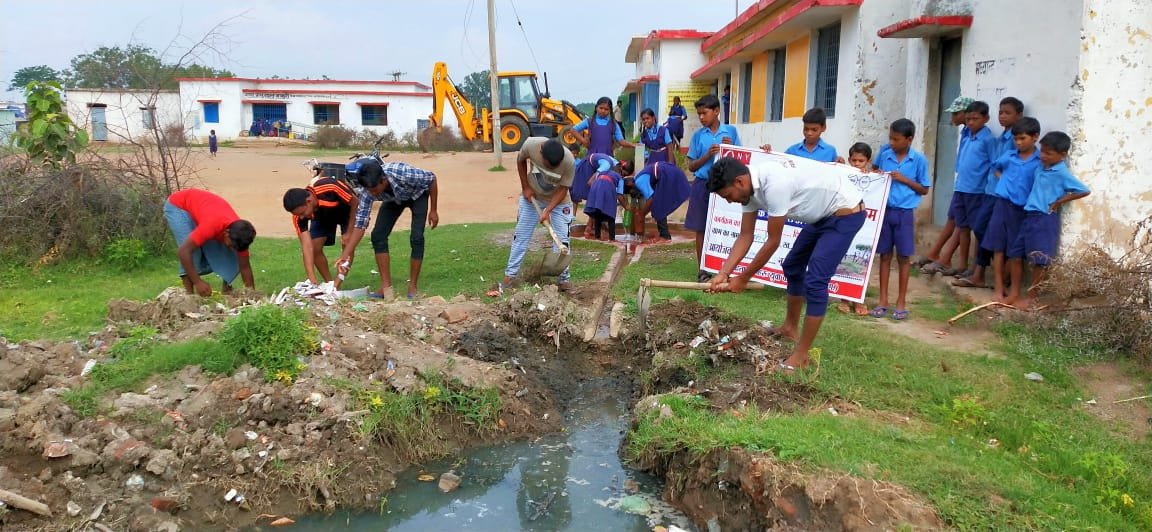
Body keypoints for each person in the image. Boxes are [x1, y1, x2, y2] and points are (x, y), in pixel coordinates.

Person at [706, 157, 867, 374]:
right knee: (792, 265)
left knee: (816, 281)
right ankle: (790, 328)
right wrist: (724, 273)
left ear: (739, 182)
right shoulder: (748, 190)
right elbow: (745, 235)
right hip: (821, 217)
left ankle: (801, 356)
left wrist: (743, 278)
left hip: (845, 215)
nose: (729, 201)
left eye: (727, 196)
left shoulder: (774, 184)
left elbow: (773, 241)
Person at [1006, 131, 1090, 308]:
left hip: (1045, 219)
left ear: (1062, 155)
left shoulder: (1061, 173)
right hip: (1029, 216)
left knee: (1040, 260)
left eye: (1048, 153)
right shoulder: (1041, 167)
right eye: (1042, 151)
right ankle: (1014, 292)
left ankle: (1032, 297)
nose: (1043, 155)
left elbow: (1083, 190)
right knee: (1015, 254)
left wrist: (1059, 201)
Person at [337, 159, 439, 300]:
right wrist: (345, 254)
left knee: (417, 238)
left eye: (374, 190)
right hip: (393, 199)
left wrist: (433, 210)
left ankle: (412, 286)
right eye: (369, 190)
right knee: (378, 236)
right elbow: (360, 225)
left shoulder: (403, 173)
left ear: (383, 180)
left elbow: (432, 179)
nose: (372, 194)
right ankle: (386, 288)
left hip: (417, 195)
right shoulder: (368, 191)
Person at [495, 137, 577, 294]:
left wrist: (548, 210)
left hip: (559, 201)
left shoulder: (569, 161)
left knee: (562, 241)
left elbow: (563, 189)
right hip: (532, 197)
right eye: (549, 165)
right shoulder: (531, 145)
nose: (552, 168)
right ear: (541, 153)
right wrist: (525, 187)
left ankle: (564, 280)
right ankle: (510, 276)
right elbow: (520, 161)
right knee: (521, 235)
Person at [869, 120, 931, 321]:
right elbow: (874, 171)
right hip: (885, 211)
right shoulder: (884, 154)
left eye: (896, 139)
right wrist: (877, 175)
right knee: (884, 255)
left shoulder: (918, 160)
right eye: (890, 138)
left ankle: (901, 302)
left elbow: (924, 189)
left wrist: (904, 179)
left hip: (905, 214)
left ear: (909, 139)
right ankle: (882, 301)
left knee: (904, 257)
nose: (892, 142)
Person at [983, 117, 1041, 302]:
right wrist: (1003, 179)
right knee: (998, 248)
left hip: (1022, 210)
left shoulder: (1040, 161)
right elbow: (995, 166)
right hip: (1002, 205)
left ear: (1035, 137)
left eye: (1023, 138)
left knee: (1016, 252)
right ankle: (998, 288)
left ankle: (1014, 289)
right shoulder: (1009, 156)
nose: (1018, 143)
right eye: (1016, 139)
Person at [686, 94, 742, 282]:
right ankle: (702, 270)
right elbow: (691, 166)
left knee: (726, 226)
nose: (701, 117)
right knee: (701, 228)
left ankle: (726, 268)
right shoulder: (698, 136)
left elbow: (740, 159)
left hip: (726, 187)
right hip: (702, 185)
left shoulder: (731, 132)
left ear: (716, 111)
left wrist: (731, 148)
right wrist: (707, 156)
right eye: (699, 114)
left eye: (705, 113)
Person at [163, 188, 256, 297]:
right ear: (226, 233)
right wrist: (198, 282)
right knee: (193, 253)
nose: (233, 248)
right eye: (232, 245)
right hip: (179, 206)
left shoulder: (240, 235)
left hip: (205, 209)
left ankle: (227, 289)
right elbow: (183, 252)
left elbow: (245, 267)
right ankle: (189, 297)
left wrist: (251, 295)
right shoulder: (211, 226)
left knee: (234, 255)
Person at [916, 96, 973, 272]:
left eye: (956, 114)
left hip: (971, 188)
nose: (952, 117)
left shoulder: (976, 135)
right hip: (961, 184)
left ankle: (946, 258)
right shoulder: (966, 133)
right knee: (953, 219)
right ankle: (936, 253)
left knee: (961, 223)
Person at [950, 101, 1000, 289]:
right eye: (969, 118)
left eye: (975, 119)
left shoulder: (988, 139)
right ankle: (963, 266)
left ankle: (977, 268)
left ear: (986, 118)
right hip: (961, 187)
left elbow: (994, 164)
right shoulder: (967, 135)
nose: (971, 122)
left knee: (978, 229)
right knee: (962, 227)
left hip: (977, 191)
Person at [571, 96, 634, 238]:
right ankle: (592, 224)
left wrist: (633, 145)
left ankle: (592, 225)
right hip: (592, 161)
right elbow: (573, 130)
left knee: (602, 190)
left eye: (606, 109)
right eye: (601, 108)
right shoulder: (589, 121)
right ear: (596, 108)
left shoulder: (613, 124)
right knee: (592, 191)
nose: (603, 111)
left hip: (607, 161)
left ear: (610, 110)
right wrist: (583, 141)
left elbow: (621, 141)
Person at [281, 175, 359, 285]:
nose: (302, 217)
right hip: (322, 215)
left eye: (302, 213)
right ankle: (329, 284)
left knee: (347, 244)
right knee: (314, 247)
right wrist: (312, 279)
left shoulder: (329, 186)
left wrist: (349, 232)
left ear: (309, 201)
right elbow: (307, 247)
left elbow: (355, 202)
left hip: (347, 211)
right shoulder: (298, 216)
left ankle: (337, 285)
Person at [837, 143, 875, 316]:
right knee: (844, 258)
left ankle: (859, 299)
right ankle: (844, 299)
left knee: (862, 260)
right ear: (849, 159)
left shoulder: (873, 177)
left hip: (866, 226)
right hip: (846, 222)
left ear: (868, 161)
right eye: (854, 160)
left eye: (861, 161)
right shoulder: (845, 173)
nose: (857, 164)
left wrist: (874, 175)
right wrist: (839, 165)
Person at [629, 160, 691, 243]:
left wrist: (642, 214)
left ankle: (665, 236)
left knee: (658, 205)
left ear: (630, 185)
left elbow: (650, 199)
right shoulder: (641, 177)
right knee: (658, 204)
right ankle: (664, 235)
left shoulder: (639, 182)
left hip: (668, 174)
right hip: (671, 172)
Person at [583, 154, 634, 241]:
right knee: (611, 217)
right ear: (621, 170)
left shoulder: (605, 170)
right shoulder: (620, 179)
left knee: (598, 214)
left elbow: (594, 180)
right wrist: (627, 207)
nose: (623, 176)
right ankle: (612, 239)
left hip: (595, 187)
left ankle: (597, 237)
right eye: (624, 175)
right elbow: (619, 195)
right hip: (607, 187)